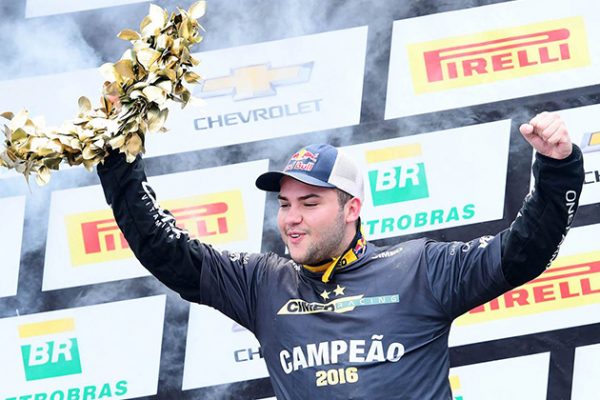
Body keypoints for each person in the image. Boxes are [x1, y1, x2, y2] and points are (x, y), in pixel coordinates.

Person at [97, 111, 584, 399]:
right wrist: (118, 159)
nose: (291, 218)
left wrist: (557, 167)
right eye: (285, 204)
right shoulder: (262, 283)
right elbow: (164, 250)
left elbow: (522, 253)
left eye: (310, 203)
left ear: (351, 209)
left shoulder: (421, 268)